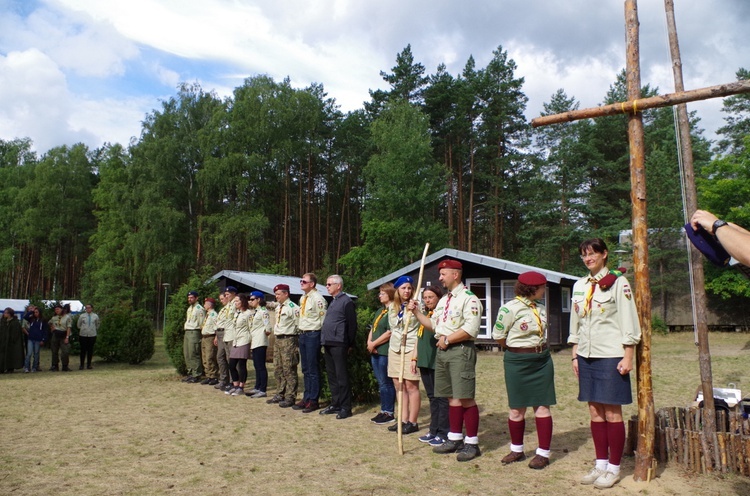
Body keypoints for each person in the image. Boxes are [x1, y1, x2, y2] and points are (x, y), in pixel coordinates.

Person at [569, 238, 641, 489]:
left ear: (604, 254)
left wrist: (628, 354)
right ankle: (600, 463)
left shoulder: (618, 283)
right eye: (584, 255)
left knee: (612, 412)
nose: (588, 258)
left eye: (592, 254)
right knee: (594, 410)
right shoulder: (580, 285)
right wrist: (575, 353)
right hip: (587, 355)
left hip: (611, 354)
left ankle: (613, 468)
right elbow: (576, 321)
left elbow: (628, 319)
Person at [409, 259, 483, 462]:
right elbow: (433, 324)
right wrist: (416, 312)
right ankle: (455, 437)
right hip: (443, 351)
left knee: (465, 396)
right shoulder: (445, 300)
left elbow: (470, 329)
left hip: (459, 350)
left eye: (443, 274)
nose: (440, 278)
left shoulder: (469, 299)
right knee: (451, 396)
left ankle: (472, 443)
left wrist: (448, 339)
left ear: (455, 274)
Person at [493, 271, 556, 470]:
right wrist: (517, 349)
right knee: (516, 407)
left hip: (542, 360)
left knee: (542, 407)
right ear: (533, 288)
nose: (544, 291)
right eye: (542, 287)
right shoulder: (509, 309)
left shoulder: (542, 308)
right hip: (517, 361)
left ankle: (543, 453)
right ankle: (517, 450)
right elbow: (499, 336)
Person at [386, 276, 421, 435]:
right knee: (398, 385)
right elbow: (394, 327)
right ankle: (403, 420)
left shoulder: (416, 306)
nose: (406, 291)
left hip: (410, 348)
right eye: (403, 288)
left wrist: (414, 310)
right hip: (395, 348)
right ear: (397, 290)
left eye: (409, 288)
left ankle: (413, 422)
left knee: (411, 385)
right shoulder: (393, 307)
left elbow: (421, 329)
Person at [319, 275, 357, 419]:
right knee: (332, 376)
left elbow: (352, 325)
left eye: (329, 284)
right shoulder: (334, 301)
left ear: (338, 286)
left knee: (342, 377)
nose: (327, 286)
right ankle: (336, 403)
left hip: (339, 343)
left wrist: (349, 344)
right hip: (328, 342)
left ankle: (346, 407)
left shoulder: (346, 301)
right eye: (327, 284)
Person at [416, 285, 449, 447]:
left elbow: (433, 327)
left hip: (437, 361)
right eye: (425, 298)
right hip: (425, 361)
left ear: (438, 297)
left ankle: (444, 431)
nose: (427, 300)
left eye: (431, 297)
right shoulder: (426, 314)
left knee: (442, 397)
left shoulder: (441, 314)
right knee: (432, 397)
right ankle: (433, 429)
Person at [294, 273, 328, 412]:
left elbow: (322, 320)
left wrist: (322, 338)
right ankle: (306, 397)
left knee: (313, 369)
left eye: (304, 281)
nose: (301, 283)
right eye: (301, 281)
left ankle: (313, 400)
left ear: (312, 284)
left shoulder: (317, 298)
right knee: (305, 368)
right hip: (303, 334)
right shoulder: (303, 298)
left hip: (313, 334)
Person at [366, 283, 396, 425]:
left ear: (390, 293)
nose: (379, 295)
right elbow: (374, 327)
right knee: (381, 383)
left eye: (382, 293)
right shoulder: (380, 311)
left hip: (384, 351)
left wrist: (375, 343)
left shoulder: (393, 310)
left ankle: (389, 412)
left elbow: (389, 332)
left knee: (386, 383)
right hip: (375, 350)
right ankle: (383, 410)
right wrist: (369, 342)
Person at [268, 284, 300, 407]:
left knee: (289, 368)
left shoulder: (293, 307)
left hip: (289, 339)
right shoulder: (279, 307)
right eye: (275, 294)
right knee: (278, 368)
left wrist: (295, 341)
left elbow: (298, 324)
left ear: (286, 294)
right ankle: (279, 393)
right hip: (278, 339)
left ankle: (290, 396)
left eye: (279, 294)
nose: (276, 296)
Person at [245, 291, 271, 399]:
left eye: (252, 299)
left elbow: (268, 327)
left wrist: (263, 335)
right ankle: (257, 386)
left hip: (260, 341)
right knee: (256, 365)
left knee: (261, 366)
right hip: (255, 341)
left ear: (259, 300)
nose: (250, 301)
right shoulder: (255, 312)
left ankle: (262, 389)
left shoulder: (263, 311)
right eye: (249, 299)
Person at [225, 294, 252, 396]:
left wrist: (250, 342)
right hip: (236, 341)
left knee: (242, 365)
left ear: (243, 302)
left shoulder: (248, 313)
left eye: (237, 301)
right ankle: (235, 385)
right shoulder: (237, 313)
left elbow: (251, 328)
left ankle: (241, 387)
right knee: (231, 365)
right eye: (234, 301)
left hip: (244, 341)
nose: (235, 303)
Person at [214, 286, 238, 391]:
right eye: (225, 295)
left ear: (233, 294)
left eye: (227, 295)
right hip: (223, 333)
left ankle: (233, 381)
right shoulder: (227, 307)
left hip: (230, 333)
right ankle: (224, 379)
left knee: (230, 358)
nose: (226, 296)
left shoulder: (235, 304)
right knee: (220, 357)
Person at [182, 291, 206, 383]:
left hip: (194, 332)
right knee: (187, 353)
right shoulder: (190, 308)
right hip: (187, 331)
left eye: (191, 297)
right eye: (188, 298)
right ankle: (190, 373)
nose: (189, 299)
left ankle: (197, 374)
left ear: (196, 298)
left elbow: (201, 323)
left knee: (193, 353)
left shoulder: (199, 309)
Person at [200, 297, 219, 385]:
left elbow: (216, 327)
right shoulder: (207, 314)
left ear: (209, 305)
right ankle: (208, 375)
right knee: (204, 357)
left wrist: (216, 337)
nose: (204, 305)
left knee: (210, 356)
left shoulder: (213, 314)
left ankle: (213, 376)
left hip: (210, 337)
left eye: (205, 303)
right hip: (204, 337)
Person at [49, 304, 73, 372]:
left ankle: (65, 366)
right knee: (54, 351)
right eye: (55, 309)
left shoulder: (67, 317)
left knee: (65, 351)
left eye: (58, 309)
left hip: (63, 334)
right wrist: (52, 328)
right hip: (56, 334)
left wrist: (67, 337)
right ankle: (55, 365)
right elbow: (49, 323)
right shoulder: (54, 318)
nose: (57, 311)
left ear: (61, 309)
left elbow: (69, 327)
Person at [23, 307, 47, 372]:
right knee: (29, 353)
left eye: (37, 312)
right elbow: (25, 317)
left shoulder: (43, 320)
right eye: (34, 312)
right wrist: (31, 311)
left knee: (36, 353)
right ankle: (27, 367)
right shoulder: (31, 319)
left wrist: (43, 339)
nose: (35, 314)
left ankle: (35, 367)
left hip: (38, 339)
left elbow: (45, 330)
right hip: (31, 338)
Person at [1, 308, 25, 373]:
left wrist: (11, 340)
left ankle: (10, 368)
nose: (4, 314)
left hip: (11, 343)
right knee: (2, 355)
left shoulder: (15, 322)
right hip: (3, 342)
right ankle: (2, 368)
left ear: (9, 314)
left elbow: (16, 334)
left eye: (5, 313)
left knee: (10, 355)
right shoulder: (3, 321)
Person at [77, 303, 100, 370]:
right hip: (83, 335)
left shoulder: (95, 316)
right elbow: (78, 325)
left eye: (89, 307)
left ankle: (89, 364)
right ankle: (81, 365)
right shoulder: (82, 316)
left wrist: (93, 329)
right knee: (83, 350)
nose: (88, 309)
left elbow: (97, 324)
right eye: (86, 308)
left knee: (90, 350)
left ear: (92, 308)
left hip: (92, 335)